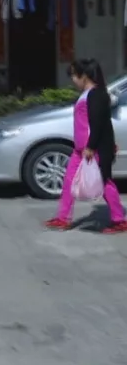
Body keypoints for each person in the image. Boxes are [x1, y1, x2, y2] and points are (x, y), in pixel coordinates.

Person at [45, 58, 127, 233]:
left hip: (92, 149)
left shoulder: (96, 95)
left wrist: (91, 146)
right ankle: (63, 218)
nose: (73, 80)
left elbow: (99, 124)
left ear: (84, 76)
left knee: (104, 183)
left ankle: (119, 220)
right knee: (69, 181)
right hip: (80, 149)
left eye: (74, 76)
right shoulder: (87, 94)